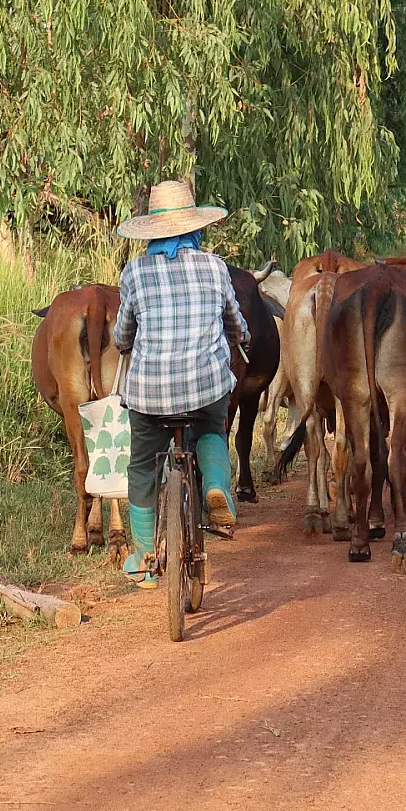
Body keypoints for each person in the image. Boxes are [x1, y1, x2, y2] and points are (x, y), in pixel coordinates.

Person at [112, 179, 249, 589]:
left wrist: (124, 343)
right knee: (211, 428)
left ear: (151, 232)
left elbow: (124, 332)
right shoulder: (214, 267)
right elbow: (234, 319)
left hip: (150, 392)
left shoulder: (134, 272)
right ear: (195, 228)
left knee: (140, 464)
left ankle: (143, 554)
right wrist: (240, 336)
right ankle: (218, 488)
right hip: (205, 384)